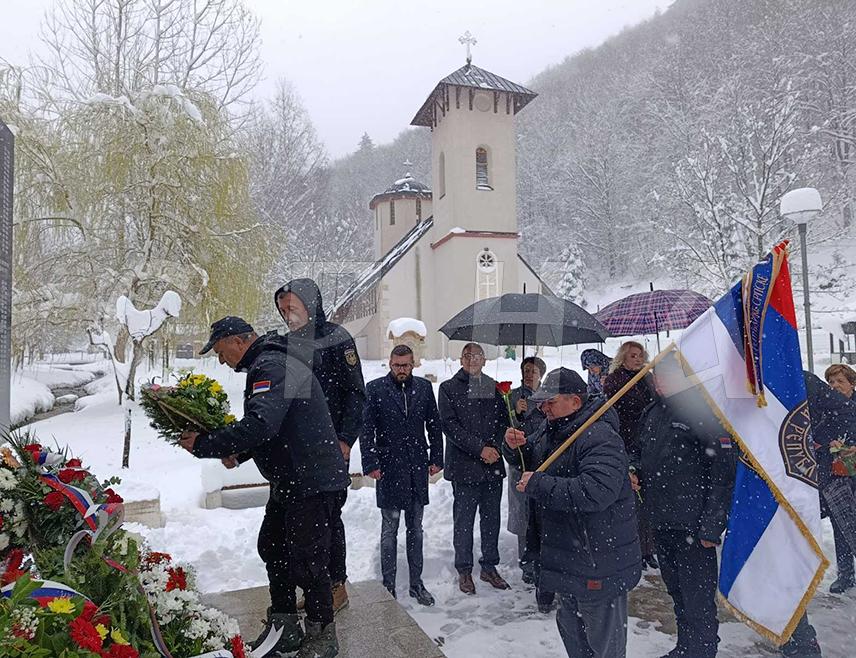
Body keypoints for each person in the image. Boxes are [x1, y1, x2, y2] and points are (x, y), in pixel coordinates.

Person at [179, 317, 349, 658]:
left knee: (309, 560)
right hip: (294, 478)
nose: (220, 358)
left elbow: (262, 423)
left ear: (237, 341)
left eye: (219, 349)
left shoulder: (272, 366)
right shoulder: (271, 361)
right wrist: (240, 452)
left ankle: (322, 635)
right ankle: (284, 626)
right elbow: (280, 425)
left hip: (311, 481)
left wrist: (205, 443)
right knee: (273, 546)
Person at [505, 367, 641, 658]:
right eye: (541, 402)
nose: (543, 408)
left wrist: (540, 484)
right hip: (568, 559)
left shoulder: (600, 435)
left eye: (550, 402)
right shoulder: (555, 427)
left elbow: (596, 492)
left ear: (575, 402)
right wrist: (515, 447)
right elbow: (537, 461)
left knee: (605, 644)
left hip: (598, 560)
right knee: (573, 635)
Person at [630, 355, 735, 658]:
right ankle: (686, 646)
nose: (661, 383)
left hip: (693, 522)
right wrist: (633, 469)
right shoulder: (652, 412)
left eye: (669, 377)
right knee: (676, 590)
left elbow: (723, 473)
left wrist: (712, 525)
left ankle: (702, 649)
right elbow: (639, 451)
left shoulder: (703, 412)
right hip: (661, 518)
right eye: (657, 377)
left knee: (698, 596)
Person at [274, 278, 366, 612]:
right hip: (297, 453)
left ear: (310, 304)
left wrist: (345, 438)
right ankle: (315, 586)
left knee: (329, 518)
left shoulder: (337, 338)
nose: (287, 314)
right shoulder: (286, 345)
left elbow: (356, 393)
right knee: (303, 522)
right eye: (282, 309)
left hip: (331, 447)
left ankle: (335, 584)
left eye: (292, 307)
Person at [360, 345, 444, 605]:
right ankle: (388, 585)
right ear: (389, 364)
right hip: (388, 469)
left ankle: (416, 584)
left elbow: (434, 424)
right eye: (397, 365)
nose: (401, 370)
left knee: (415, 530)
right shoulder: (375, 389)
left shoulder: (424, 388)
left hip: (417, 468)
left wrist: (436, 458)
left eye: (406, 365)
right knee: (389, 531)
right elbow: (367, 430)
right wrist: (371, 462)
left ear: (413, 364)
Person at [438, 342, 510, 594]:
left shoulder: (494, 387)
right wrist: (480, 449)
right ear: (460, 360)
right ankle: (464, 569)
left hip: (492, 465)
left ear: (484, 360)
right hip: (465, 466)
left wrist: (497, 447)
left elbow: (504, 421)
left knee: (491, 521)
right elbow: (450, 426)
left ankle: (489, 566)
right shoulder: (448, 389)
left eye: (476, 356)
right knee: (464, 521)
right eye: (467, 356)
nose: (472, 360)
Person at [603, 340, 658, 570]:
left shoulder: (647, 377)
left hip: (647, 441)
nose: (637, 359)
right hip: (626, 442)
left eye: (640, 355)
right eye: (633, 355)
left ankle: (648, 549)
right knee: (631, 497)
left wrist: (648, 379)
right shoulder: (615, 380)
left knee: (648, 497)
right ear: (623, 357)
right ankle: (633, 547)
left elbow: (655, 401)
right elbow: (619, 406)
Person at [810, 367, 856, 594]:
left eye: (840, 381)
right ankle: (846, 574)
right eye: (830, 382)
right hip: (835, 476)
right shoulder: (824, 410)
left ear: (852, 384)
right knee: (840, 523)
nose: (835, 385)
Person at [507, 356, 547, 584]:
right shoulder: (513, 396)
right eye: (526, 369)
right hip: (520, 462)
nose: (529, 374)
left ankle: (543, 558)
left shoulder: (548, 395)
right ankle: (526, 562)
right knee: (523, 515)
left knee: (540, 514)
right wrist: (516, 412)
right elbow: (507, 427)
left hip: (541, 461)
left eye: (534, 370)